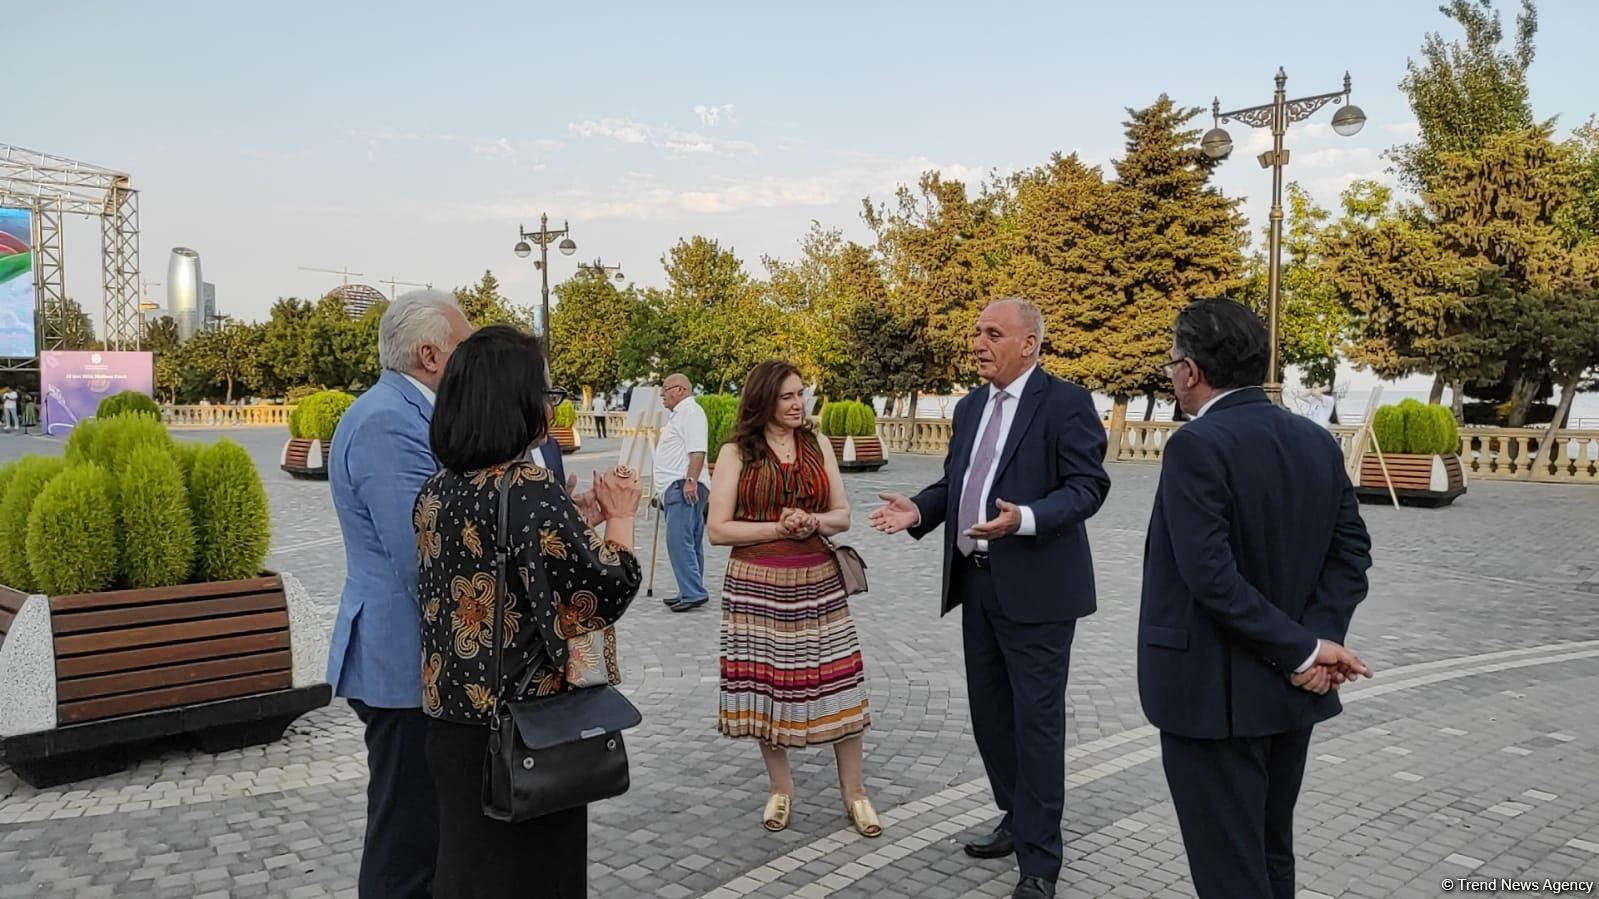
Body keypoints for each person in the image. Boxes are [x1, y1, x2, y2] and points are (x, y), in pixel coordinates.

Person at [870, 298, 1110, 899]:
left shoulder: (1066, 403)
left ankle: (1040, 861)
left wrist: (1026, 517)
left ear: (1028, 344)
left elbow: (1087, 487)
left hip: (1039, 591)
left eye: (992, 333)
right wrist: (921, 508)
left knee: (1037, 725)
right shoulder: (970, 407)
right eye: (976, 332)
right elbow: (958, 483)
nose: (978, 342)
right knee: (991, 720)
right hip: (977, 584)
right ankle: (1017, 814)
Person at [1141, 299, 1373, 899]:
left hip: (1213, 697)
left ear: (1190, 371)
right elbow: (1350, 557)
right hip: (1291, 693)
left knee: (1230, 871)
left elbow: (1210, 576)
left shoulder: (1197, 445)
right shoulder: (1314, 441)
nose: (1171, 377)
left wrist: (1306, 651)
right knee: (1271, 855)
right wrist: (1318, 645)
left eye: (1171, 365)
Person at [417, 325, 642, 899]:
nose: (550, 404)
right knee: (536, 877)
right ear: (515, 402)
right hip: (527, 730)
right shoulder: (529, 487)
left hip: (452, 722)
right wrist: (619, 516)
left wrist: (574, 519)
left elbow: (506, 569)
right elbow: (607, 586)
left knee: (468, 869)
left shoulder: (437, 492)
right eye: (545, 393)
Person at [326, 289, 474, 898]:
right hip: (402, 660)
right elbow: (423, 558)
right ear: (432, 355)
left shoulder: (407, 411)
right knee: (406, 840)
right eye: (467, 349)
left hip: (412, 657)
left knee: (425, 829)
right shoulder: (389, 420)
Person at [708, 360, 880, 838]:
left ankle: (856, 793)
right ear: (763, 398)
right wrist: (777, 526)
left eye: (800, 393)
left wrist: (813, 522)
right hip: (756, 584)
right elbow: (718, 529)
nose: (797, 403)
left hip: (818, 581)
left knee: (838, 680)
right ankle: (780, 789)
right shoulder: (737, 451)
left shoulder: (817, 443)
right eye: (786, 396)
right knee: (769, 686)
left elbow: (842, 515)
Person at [654, 373, 711, 611]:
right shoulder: (682, 414)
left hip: (682, 485)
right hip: (678, 485)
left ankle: (692, 591)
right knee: (689, 539)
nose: (662, 394)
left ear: (680, 390)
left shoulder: (690, 412)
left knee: (679, 540)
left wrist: (690, 480)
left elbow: (697, 450)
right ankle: (690, 588)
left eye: (665, 389)